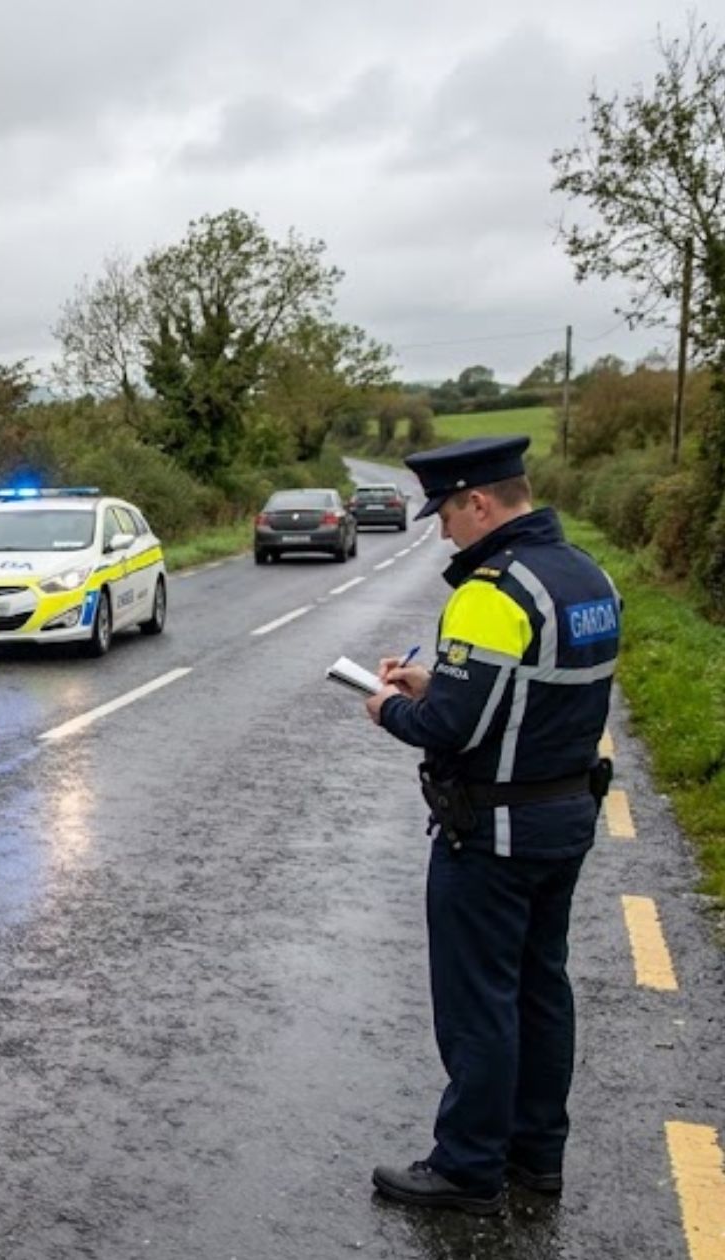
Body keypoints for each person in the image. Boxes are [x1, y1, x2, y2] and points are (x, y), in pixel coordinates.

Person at [362, 435, 620, 1214]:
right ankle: (536, 1158)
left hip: (493, 835)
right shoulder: (587, 577)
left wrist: (391, 707)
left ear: (478, 502)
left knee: (480, 1004)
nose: (441, 530)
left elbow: (450, 728)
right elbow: (528, 693)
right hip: (565, 817)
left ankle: (468, 1166)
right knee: (542, 992)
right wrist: (438, 678)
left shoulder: (492, 590)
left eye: (445, 512)